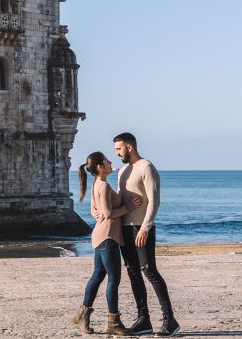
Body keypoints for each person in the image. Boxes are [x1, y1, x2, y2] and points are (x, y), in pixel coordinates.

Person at [112, 132, 180, 336]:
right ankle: (144, 320)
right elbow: (119, 199)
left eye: (119, 149)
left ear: (130, 147)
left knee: (149, 270)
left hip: (141, 228)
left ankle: (170, 321)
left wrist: (145, 227)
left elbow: (154, 200)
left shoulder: (147, 167)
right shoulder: (122, 171)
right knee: (132, 272)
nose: (117, 153)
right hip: (125, 228)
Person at [72, 151, 141, 336]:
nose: (111, 162)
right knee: (113, 279)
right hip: (107, 236)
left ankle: (82, 314)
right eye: (107, 161)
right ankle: (113, 321)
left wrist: (98, 210)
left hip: (102, 235)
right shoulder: (102, 186)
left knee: (98, 275)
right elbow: (109, 213)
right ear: (100, 167)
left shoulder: (99, 184)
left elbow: (98, 208)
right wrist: (129, 207)